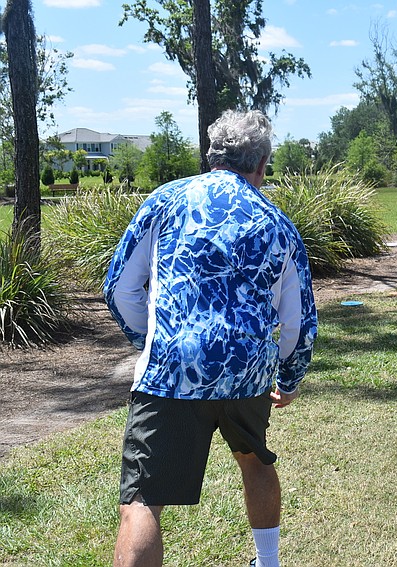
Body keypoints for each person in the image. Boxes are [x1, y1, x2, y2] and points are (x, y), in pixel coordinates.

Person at [103, 109, 317, 567]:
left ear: (212, 155)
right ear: (261, 165)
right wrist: (291, 377)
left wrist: (150, 339)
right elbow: (299, 321)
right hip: (248, 375)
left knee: (143, 500)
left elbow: (119, 286)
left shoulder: (165, 201)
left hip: (172, 372)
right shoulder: (278, 224)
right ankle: (268, 562)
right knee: (256, 463)